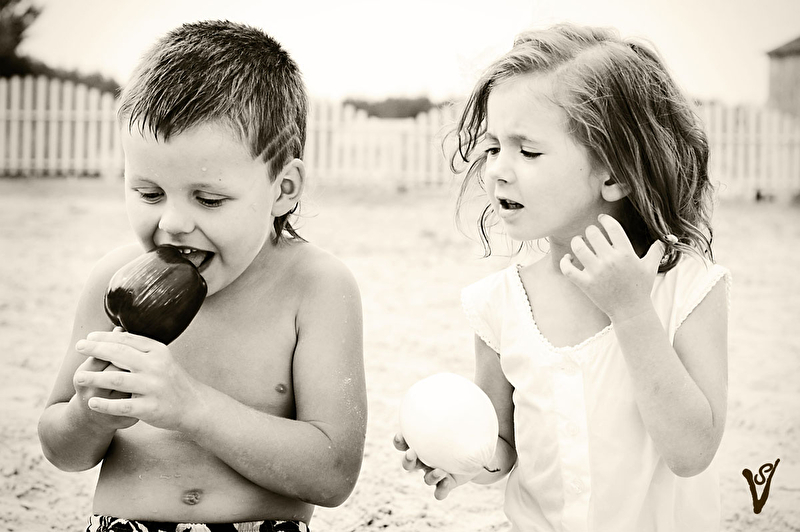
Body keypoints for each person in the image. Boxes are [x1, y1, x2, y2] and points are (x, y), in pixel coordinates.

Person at [394, 22, 730, 531]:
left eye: (527, 151)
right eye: (493, 147)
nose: (498, 170)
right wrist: (464, 456)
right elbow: (504, 445)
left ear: (614, 174)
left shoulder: (687, 287)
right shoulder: (500, 303)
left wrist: (632, 311)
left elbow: (691, 453)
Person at [38, 20, 367, 532]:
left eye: (209, 199)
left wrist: (191, 407)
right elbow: (62, 449)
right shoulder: (113, 281)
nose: (172, 223)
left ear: (283, 189)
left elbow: (334, 474)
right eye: (149, 193)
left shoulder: (316, 288)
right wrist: (89, 416)